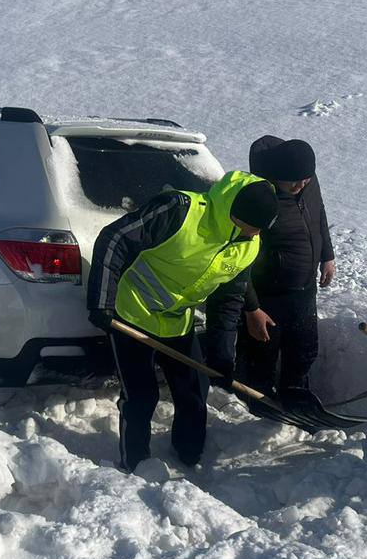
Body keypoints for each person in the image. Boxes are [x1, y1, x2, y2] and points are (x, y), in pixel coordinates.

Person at [87, 171, 279, 472]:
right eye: (253, 226)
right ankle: (135, 463)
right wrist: (101, 303)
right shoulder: (181, 210)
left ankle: (189, 455)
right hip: (132, 312)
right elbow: (115, 239)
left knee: (194, 390)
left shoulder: (247, 246)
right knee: (141, 395)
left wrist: (222, 358)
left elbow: (227, 303)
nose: (256, 235)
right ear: (236, 214)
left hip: (177, 321)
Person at [237, 136, 335, 403]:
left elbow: (319, 214)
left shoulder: (306, 181)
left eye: (306, 178)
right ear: (277, 175)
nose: (301, 185)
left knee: (304, 349)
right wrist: (251, 307)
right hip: (269, 292)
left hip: (304, 289)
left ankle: (296, 396)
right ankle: (256, 401)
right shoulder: (259, 195)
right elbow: (237, 259)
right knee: (263, 352)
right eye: (294, 180)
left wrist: (327, 254)